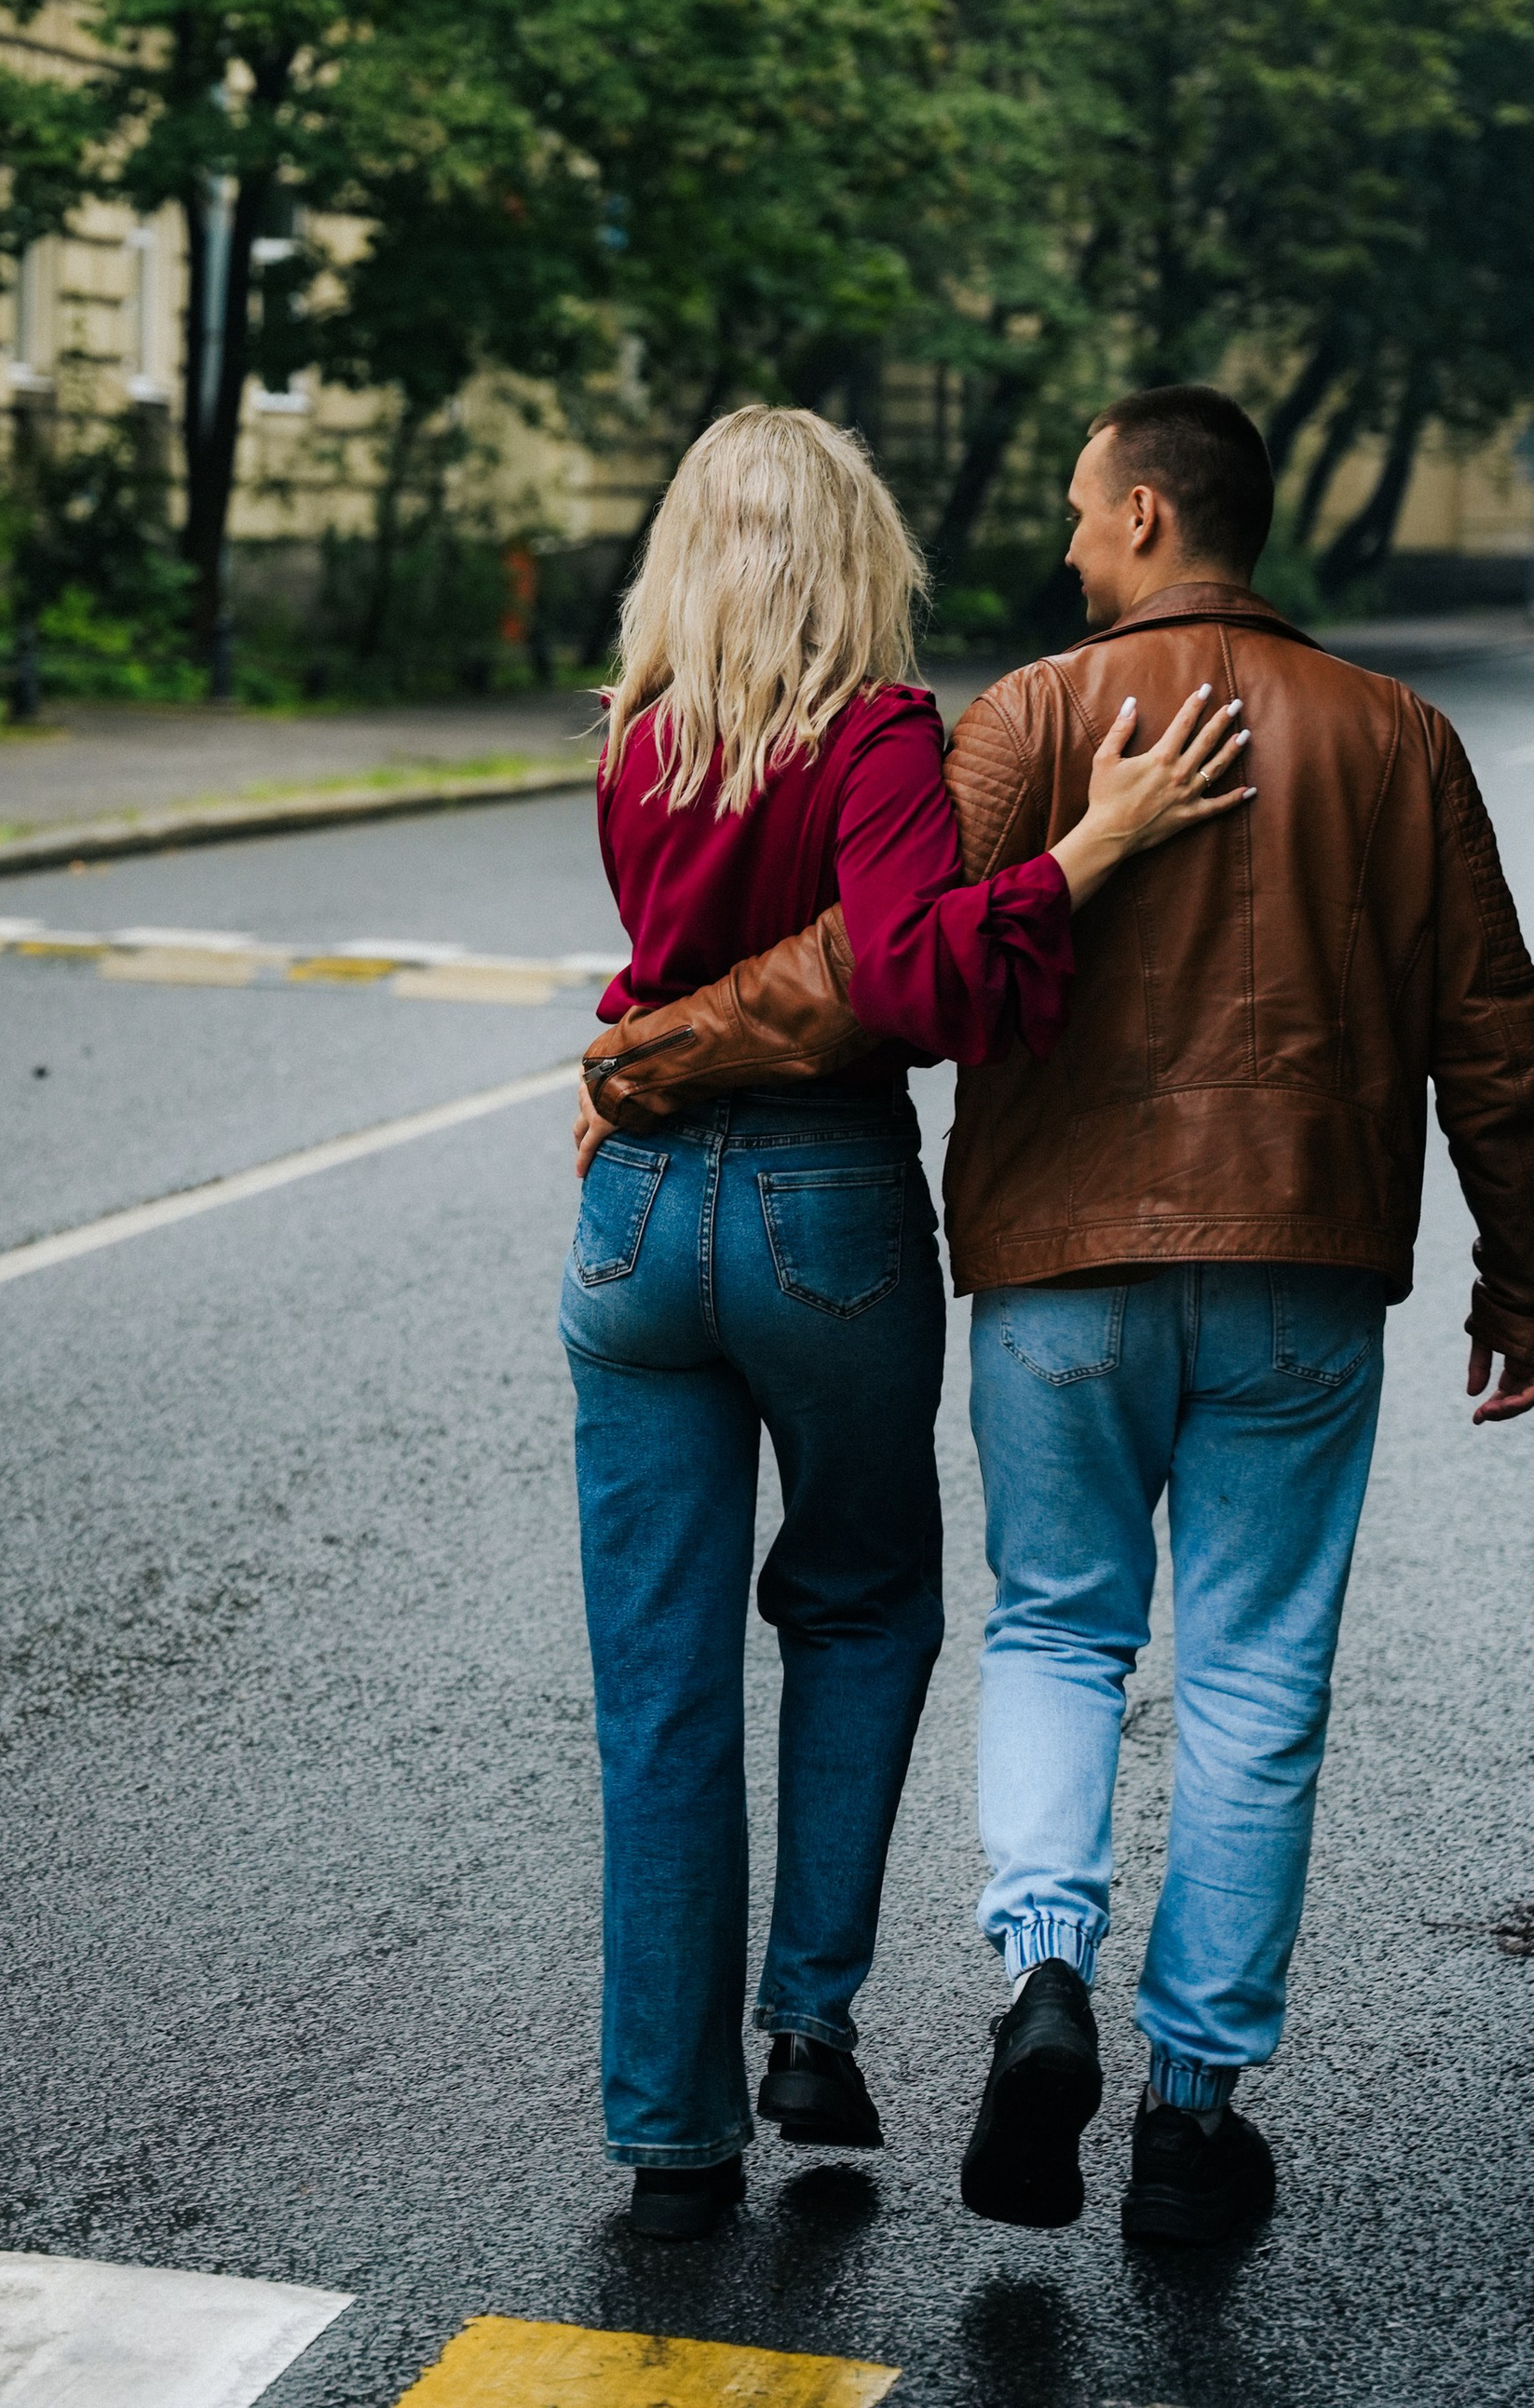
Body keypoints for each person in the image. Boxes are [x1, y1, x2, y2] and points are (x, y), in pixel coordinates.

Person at [588, 384, 1534, 2252]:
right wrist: (1519, 1271)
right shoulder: (1400, 737)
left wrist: (646, 1053)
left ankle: (1041, 1972)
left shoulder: (1019, 716)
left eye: (1086, 511)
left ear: (1154, 522)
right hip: (1302, 1270)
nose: (1063, 542)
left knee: (1052, 1629)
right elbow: (1489, 1034)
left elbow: (876, 968)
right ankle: (1188, 2114)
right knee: (1256, 1675)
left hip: (1054, 1274)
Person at [564, 403, 1247, 2240]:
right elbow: (916, 973)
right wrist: (1085, 849)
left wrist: (631, 1070)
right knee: (859, 1602)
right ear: (858, 551)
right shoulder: (873, 732)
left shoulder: (636, 735)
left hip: (630, 1219)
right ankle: (805, 2022)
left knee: (657, 1682)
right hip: (818, 1214)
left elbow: (683, 962)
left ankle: (670, 2126)